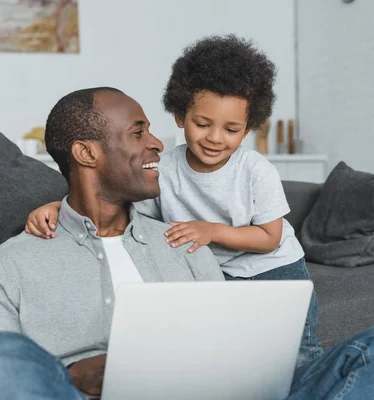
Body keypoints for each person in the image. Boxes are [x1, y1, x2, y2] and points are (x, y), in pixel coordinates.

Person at [0, 87, 374, 400]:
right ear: (86, 153)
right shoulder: (10, 265)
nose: (159, 143)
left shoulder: (182, 241)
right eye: (138, 132)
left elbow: (226, 346)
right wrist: (73, 376)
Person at [26, 34, 323, 365]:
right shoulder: (162, 169)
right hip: (214, 273)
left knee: (298, 351)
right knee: (229, 352)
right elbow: (118, 209)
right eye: (202, 123)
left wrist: (212, 231)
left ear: (248, 128)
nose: (214, 138)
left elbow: (270, 238)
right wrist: (59, 207)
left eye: (231, 129)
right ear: (180, 116)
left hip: (275, 270)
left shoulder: (255, 170)